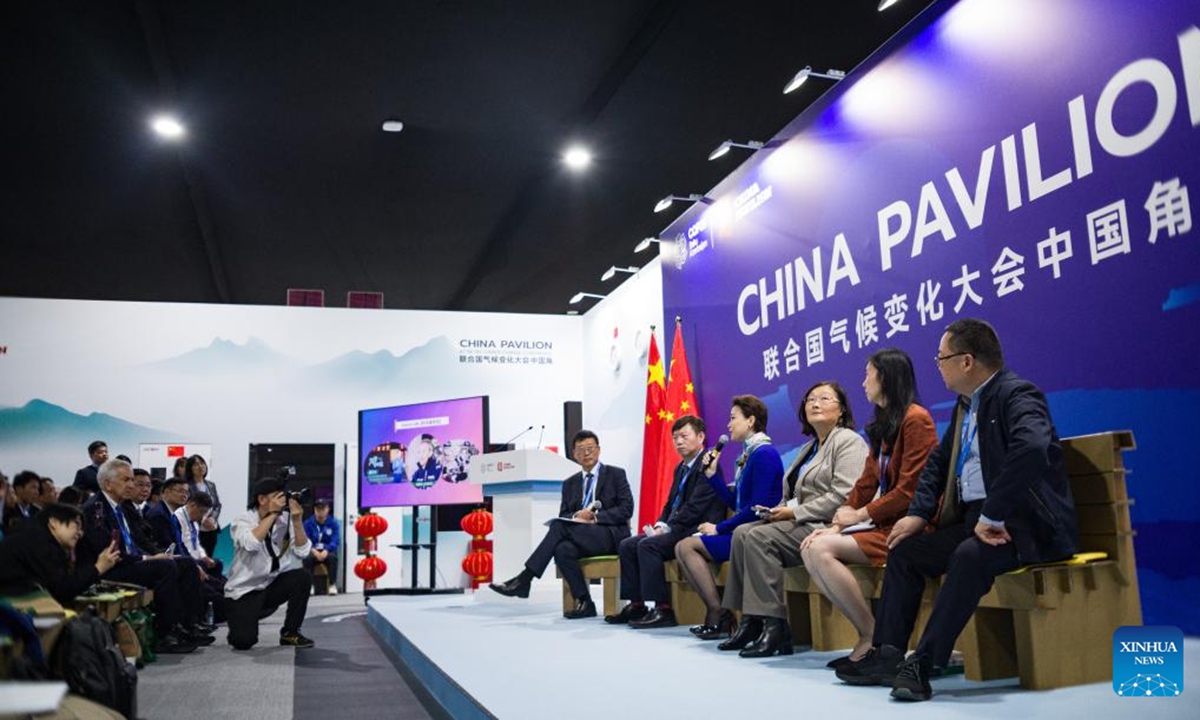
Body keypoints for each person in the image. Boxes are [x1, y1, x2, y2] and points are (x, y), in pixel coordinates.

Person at [836, 318, 1078, 702]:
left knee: (968, 556)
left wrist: (993, 513)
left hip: (1023, 525)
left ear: (966, 361)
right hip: (978, 521)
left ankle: (924, 663)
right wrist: (916, 515)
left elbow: (1031, 450)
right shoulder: (969, 406)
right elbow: (937, 464)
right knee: (906, 549)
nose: (938, 365)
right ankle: (887, 654)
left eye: (941, 358)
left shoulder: (1018, 394)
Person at [799, 349, 937, 666]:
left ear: (885, 378)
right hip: (885, 526)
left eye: (868, 375)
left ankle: (870, 636)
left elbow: (909, 490)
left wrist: (858, 516)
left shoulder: (917, 419)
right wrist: (835, 526)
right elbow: (865, 484)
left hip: (913, 527)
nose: (863, 383)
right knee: (814, 545)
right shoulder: (884, 425)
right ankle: (869, 634)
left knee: (820, 551)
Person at [719, 382, 868, 658]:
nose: (815, 403)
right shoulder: (808, 448)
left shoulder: (849, 441)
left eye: (824, 398)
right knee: (742, 532)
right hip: (800, 522)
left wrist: (793, 512)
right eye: (810, 399)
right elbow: (795, 495)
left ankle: (775, 626)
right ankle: (749, 620)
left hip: (827, 526)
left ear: (842, 409)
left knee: (759, 537)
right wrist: (777, 510)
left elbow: (844, 496)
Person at [489, 430, 633, 619]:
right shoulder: (570, 483)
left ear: (598, 450)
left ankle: (524, 579)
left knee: (559, 527)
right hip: (582, 536)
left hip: (608, 535)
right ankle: (585, 602)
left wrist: (595, 518)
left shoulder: (615, 474)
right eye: (581, 450)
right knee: (563, 549)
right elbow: (564, 514)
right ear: (574, 454)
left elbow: (626, 509)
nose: (586, 453)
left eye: (590, 449)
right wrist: (576, 515)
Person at [674, 395, 783, 640]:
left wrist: (720, 528)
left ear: (751, 420)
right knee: (683, 547)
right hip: (741, 530)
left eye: (733, 418)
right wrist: (713, 475)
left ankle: (720, 613)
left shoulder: (764, 454)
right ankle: (719, 613)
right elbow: (736, 504)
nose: (728, 425)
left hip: (756, 532)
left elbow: (758, 507)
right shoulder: (748, 455)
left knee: (687, 545)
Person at [76, 458, 206, 653]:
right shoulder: (94, 510)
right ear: (107, 484)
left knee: (185, 563)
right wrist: (149, 559)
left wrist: (158, 555)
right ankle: (165, 633)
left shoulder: (122, 508)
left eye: (131, 480)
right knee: (165, 567)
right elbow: (109, 552)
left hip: (130, 563)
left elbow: (137, 543)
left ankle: (188, 624)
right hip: (110, 570)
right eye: (126, 480)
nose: (131, 484)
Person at [607, 415, 725, 628]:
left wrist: (668, 528)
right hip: (678, 527)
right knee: (627, 545)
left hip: (695, 530)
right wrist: (661, 524)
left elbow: (695, 509)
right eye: (675, 437)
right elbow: (670, 504)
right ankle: (636, 605)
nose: (679, 441)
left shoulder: (707, 464)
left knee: (648, 545)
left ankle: (663, 609)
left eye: (684, 436)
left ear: (700, 437)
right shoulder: (680, 468)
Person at [224, 477, 315, 650]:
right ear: (262, 499)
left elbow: (302, 552)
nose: (283, 501)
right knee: (243, 642)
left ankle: (290, 632)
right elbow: (251, 544)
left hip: (270, 586)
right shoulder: (242, 520)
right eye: (277, 496)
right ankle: (235, 616)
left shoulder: (285, 519)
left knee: (302, 577)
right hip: (244, 592)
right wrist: (272, 514)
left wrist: (296, 521)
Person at [0, 503, 122, 604]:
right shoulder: (40, 542)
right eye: (77, 525)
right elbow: (61, 591)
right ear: (53, 522)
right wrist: (98, 568)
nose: (80, 533)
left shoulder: (34, 535)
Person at [185, 454, 222, 557]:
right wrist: (202, 520)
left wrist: (213, 519)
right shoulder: (186, 485)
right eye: (196, 464)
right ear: (190, 468)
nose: (200, 466)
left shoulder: (210, 485)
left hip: (211, 528)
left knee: (209, 557)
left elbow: (217, 505)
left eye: (202, 463)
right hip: (194, 528)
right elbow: (186, 507)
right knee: (196, 557)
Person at [303, 499, 341, 595]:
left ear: (328, 509)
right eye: (317, 508)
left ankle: (332, 585)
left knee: (333, 558)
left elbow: (335, 540)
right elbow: (305, 539)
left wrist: (326, 550)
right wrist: (313, 551)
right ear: (314, 510)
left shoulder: (333, 523)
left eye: (323, 508)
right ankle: (309, 585)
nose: (320, 511)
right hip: (313, 550)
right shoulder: (308, 523)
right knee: (307, 559)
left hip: (327, 551)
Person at [4, 470, 43, 535]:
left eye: (37, 489)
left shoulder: (38, 512)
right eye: (33, 487)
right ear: (19, 489)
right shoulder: (7, 511)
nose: (37, 492)